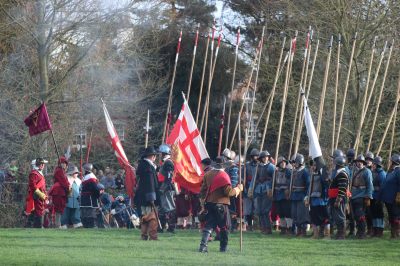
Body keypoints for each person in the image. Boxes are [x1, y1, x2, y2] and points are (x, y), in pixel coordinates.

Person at [198, 158, 243, 253]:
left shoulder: (208, 174)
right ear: (223, 165)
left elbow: (202, 192)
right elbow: (229, 192)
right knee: (224, 227)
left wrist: (203, 205)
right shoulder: (224, 175)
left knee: (209, 225)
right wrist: (238, 189)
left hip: (209, 204)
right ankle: (223, 248)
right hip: (221, 205)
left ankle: (203, 246)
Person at [136, 146, 160, 240]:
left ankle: (144, 235)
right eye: (154, 155)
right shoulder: (148, 167)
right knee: (152, 216)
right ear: (152, 156)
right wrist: (152, 197)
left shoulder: (144, 165)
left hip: (143, 195)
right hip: (149, 194)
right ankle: (153, 236)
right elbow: (150, 183)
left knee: (144, 215)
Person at [250, 151, 275, 234]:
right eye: (264, 157)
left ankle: (268, 228)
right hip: (258, 190)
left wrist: (270, 188)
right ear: (261, 158)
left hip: (267, 190)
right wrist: (251, 189)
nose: (266, 158)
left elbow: (274, 179)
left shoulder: (271, 167)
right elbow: (254, 179)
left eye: (267, 157)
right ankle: (263, 227)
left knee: (265, 210)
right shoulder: (257, 167)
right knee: (259, 210)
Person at [351, 155, 373, 239]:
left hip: (362, 196)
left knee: (360, 216)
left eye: (361, 162)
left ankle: (362, 233)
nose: (359, 163)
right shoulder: (353, 171)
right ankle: (359, 232)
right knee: (356, 216)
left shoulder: (367, 171)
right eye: (358, 161)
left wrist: (368, 197)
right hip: (353, 197)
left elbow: (370, 185)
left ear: (363, 163)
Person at [306, 159, 329, 239]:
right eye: (312, 165)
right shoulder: (311, 175)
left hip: (321, 200)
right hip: (313, 200)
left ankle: (327, 235)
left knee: (325, 218)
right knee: (314, 218)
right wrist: (307, 197)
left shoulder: (323, 175)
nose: (313, 166)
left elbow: (326, 186)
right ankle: (315, 235)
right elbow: (309, 188)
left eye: (315, 165)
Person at [328, 156, 350, 239]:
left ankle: (342, 234)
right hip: (335, 197)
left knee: (340, 216)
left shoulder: (342, 174)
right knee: (337, 216)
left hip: (339, 198)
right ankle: (339, 233)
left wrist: (338, 200)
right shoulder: (339, 173)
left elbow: (342, 188)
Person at [289, 153, 310, 237]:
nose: (295, 164)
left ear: (300, 162)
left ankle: (303, 231)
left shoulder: (305, 171)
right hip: (294, 195)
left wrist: (306, 196)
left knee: (302, 214)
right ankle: (298, 230)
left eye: (296, 162)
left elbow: (308, 185)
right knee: (295, 214)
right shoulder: (294, 171)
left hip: (302, 195)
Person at [158, 144, 176, 233]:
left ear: (164, 154)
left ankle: (171, 227)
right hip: (164, 187)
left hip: (167, 188)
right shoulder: (165, 162)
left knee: (169, 208)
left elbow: (169, 177)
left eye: (161, 153)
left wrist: (163, 188)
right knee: (163, 208)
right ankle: (161, 226)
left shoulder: (168, 162)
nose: (159, 155)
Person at [380, 154, 400, 239]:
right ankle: (393, 234)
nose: (390, 162)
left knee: (396, 215)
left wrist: (399, 195)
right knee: (391, 216)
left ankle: (396, 234)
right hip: (388, 199)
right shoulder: (391, 171)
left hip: (395, 198)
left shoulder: (398, 171)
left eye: (391, 161)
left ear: (393, 162)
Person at [25, 158, 48, 228]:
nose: (44, 165)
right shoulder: (34, 173)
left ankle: (36, 226)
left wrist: (44, 195)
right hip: (36, 196)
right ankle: (38, 226)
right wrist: (41, 194)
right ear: (40, 165)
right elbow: (33, 186)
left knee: (38, 211)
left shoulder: (38, 173)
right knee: (38, 211)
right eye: (43, 164)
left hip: (40, 195)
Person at [48, 156, 70, 228]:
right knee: (58, 209)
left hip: (61, 192)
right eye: (62, 163)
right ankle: (58, 225)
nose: (64, 165)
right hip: (59, 192)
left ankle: (58, 224)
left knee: (60, 210)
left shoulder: (62, 171)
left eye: (65, 163)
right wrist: (68, 188)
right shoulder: (59, 171)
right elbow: (64, 182)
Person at [273, 156, 292, 235]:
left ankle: (289, 228)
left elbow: (290, 182)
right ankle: (283, 228)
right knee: (280, 213)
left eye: (284, 162)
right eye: (281, 162)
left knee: (287, 212)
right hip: (278, 195)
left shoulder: (288, 171)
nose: (283, 164)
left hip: (285, 195)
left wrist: (288, 190)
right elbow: (274, 183)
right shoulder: (276, 172)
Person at [80, 163, 100, 228]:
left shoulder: (91, 177)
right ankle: (86, 225)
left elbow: (95, 189)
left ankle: (91, 225)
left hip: (89, 198)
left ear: (86, 170)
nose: (82, 170)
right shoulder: (86, 177)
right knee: (85, 213)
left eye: (83, 169)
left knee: (90, 212)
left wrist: (97, 196)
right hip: (85, 198)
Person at [244, 148, 259, 231]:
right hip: (248, 188)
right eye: (254, 156)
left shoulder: (260, 166)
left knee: (256, 208)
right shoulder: (247, 165)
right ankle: (249, 225)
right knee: (248, 209)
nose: (255, 157)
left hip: (257, 189)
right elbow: (244, 177)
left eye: (257, 156)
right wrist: (245, 188)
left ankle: (257, 225)